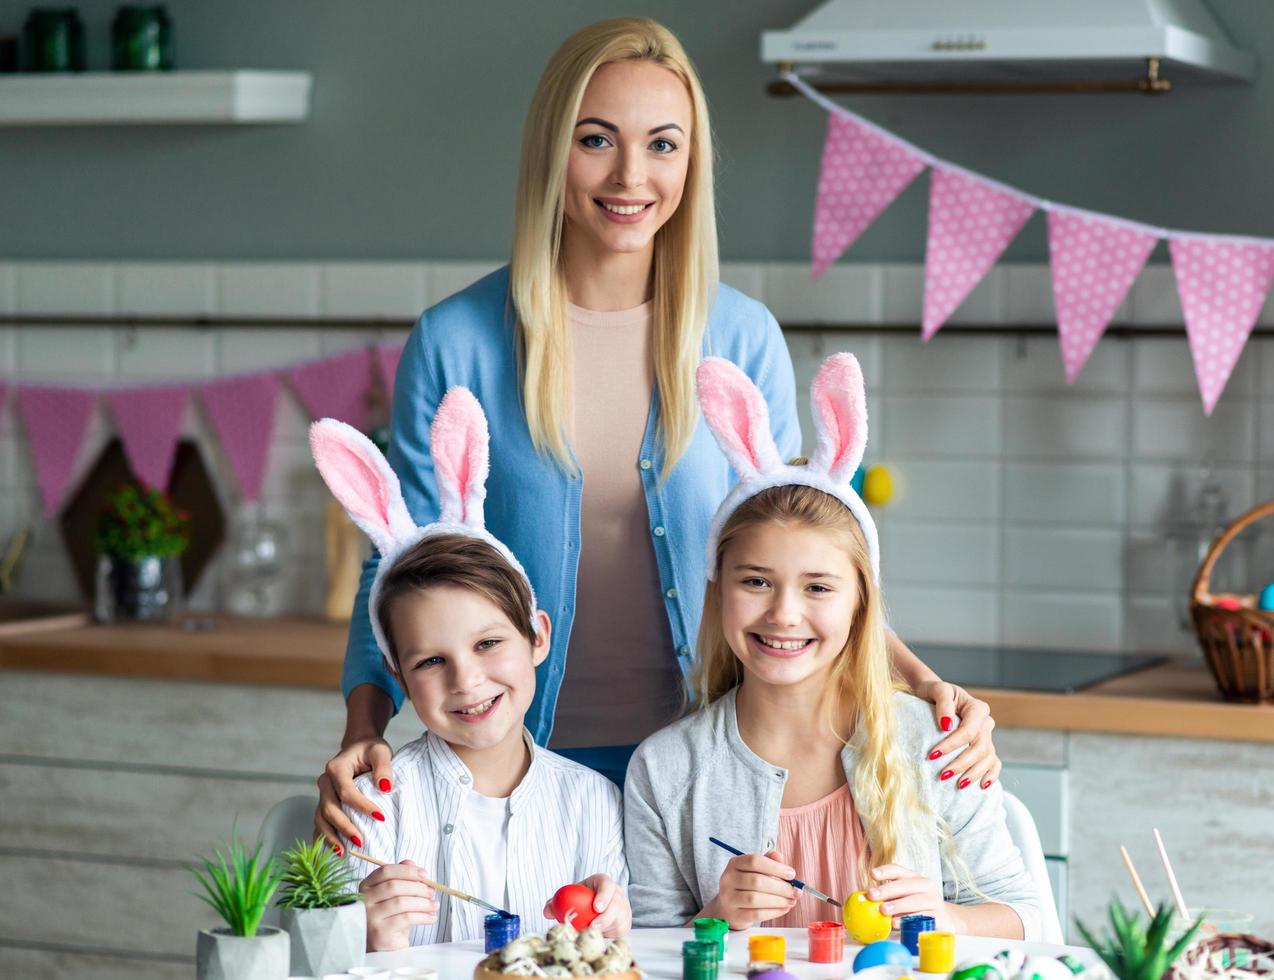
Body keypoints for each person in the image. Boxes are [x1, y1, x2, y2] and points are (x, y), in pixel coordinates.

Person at [315, 16, 1000, 851]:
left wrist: (926, 685)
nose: (631, 175)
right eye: (595, 139)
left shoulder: (741, 337)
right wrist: (362, 727)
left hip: (704, 775)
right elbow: (397, 563)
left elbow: (806, 555)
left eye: (662, 145)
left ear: (692, 162)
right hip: (515, 774)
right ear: (550, 151)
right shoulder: (457, 340)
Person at [625, 355, 1040, 939]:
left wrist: (946, 917)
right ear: (717, 592)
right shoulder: (665, 769)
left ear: (860, 604)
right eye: (755, 581)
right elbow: (642, 951)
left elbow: (1030, 920)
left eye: (818, 587)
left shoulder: (933, 744)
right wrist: (713, 918)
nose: (783, 614)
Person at [310, 388, 629, 950]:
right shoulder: (372, 808)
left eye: (488, 643)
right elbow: (321, 957)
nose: (466, 680)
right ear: (397, 674)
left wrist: (611, 925)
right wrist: (364, 938)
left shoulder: (594, 803)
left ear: (538, 637)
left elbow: (611, 957)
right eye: (432, 660)